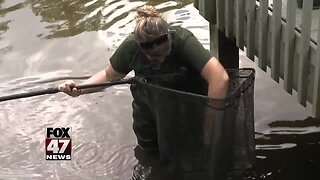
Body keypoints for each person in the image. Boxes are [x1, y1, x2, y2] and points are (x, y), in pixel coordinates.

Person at [59, 5, 229, 152]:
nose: (160, 60)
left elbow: (219, 78)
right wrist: (79, 90)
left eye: (164, 54)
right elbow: (108, 76)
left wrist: (210, 127)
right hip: (149, 116)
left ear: (169, 37)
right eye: (154, 58)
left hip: (189, 111)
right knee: (148, 156)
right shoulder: (131, 47)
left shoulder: (183, 40)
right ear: (140, 47)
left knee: (194, 153)